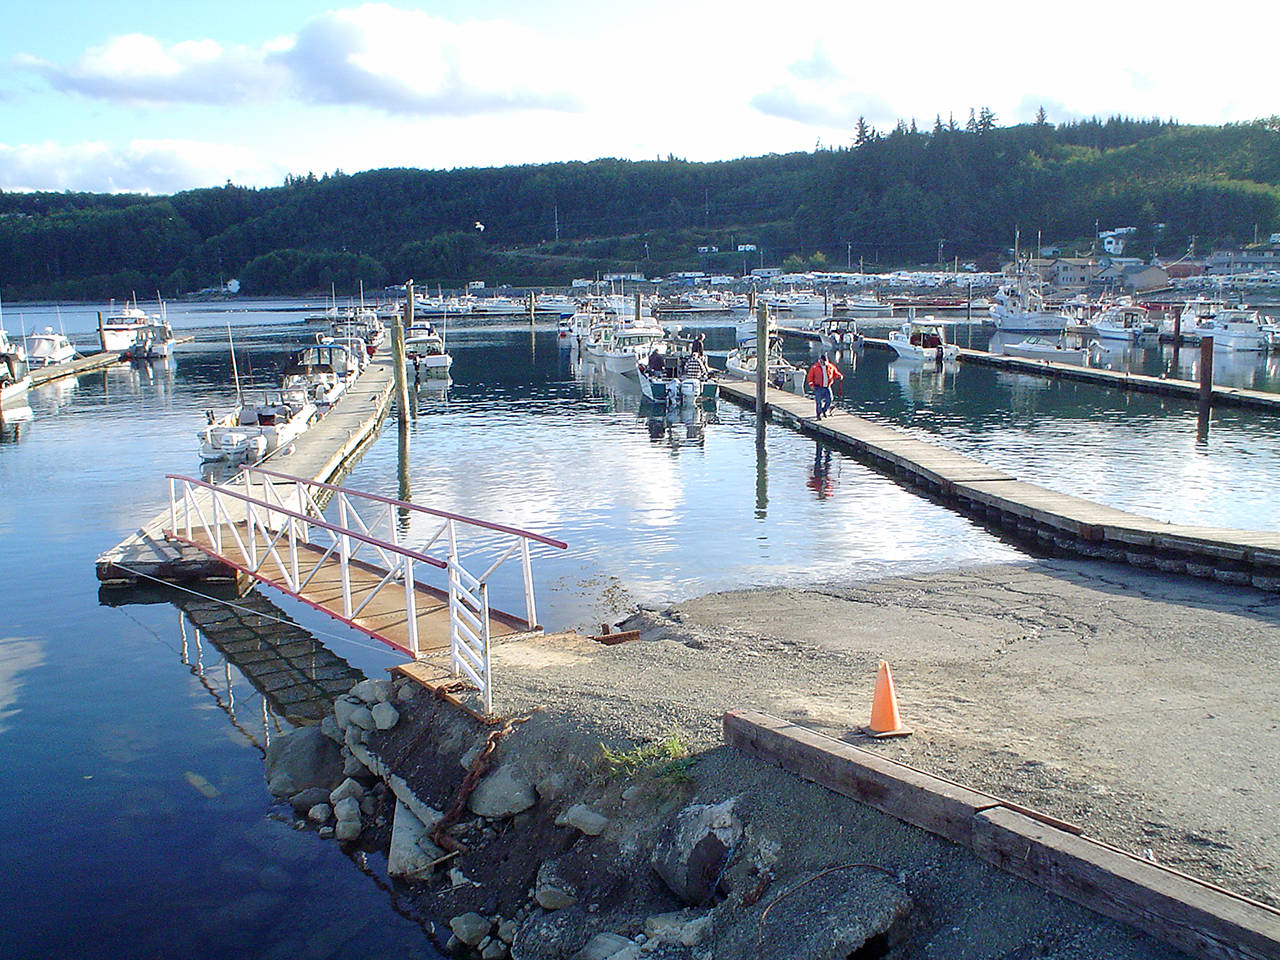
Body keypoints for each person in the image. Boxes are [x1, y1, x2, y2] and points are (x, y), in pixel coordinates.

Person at [806, 352, 843, 419]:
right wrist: (811, 384)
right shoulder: (815, 367)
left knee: (830, 400)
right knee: (819, 402)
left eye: (826, 361)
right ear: (820, 360)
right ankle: (818, 415)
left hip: (827, 387)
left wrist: (839, 376)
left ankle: (824, 410)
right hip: (818, 387)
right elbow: (810, 377)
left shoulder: (830, 366)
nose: (825, 363)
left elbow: (835, 373)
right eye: (824, 361)